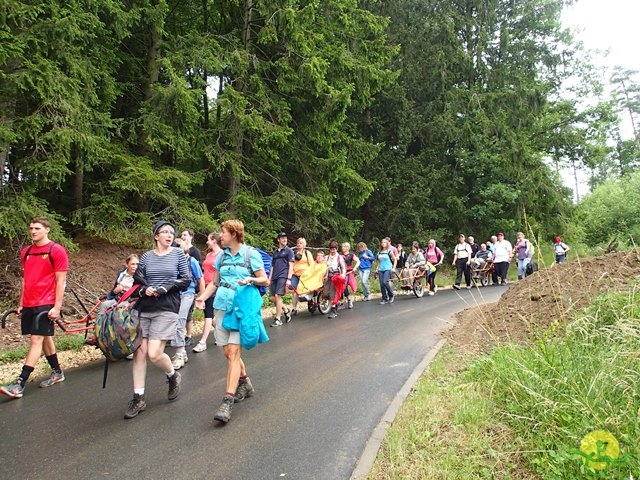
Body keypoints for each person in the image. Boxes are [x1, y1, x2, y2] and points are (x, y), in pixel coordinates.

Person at [194, 219, 269, 423]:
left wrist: (251, 280)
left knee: (234, 352)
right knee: (228, 352)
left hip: (241, 309)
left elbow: (265, 279)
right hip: (221, 306)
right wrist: (202, 297)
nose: (221, 236)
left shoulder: (249, 254)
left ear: (234, 234)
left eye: (224, 232)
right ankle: (245, 382)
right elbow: (215, 282)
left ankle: (227, 401)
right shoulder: (222, 256)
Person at [123, 221, 191, 419]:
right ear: (156, 236)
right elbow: (138, 282)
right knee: (140, 353)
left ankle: (172, 376)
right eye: (164, 232)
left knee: (154, 353)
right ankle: (138, 397)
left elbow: (185, 280)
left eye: (171, 232)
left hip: (167, 307)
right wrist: (145, 290)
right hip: (145, 307)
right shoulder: (146, 257)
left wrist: (164, 288)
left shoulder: (178, 254)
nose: (169, 235)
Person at [0, 217, 69, 399]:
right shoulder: (26, 252)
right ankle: (57, 372)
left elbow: (61, 281)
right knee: (44, 336)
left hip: (46, 302)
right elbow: (26, 279)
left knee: (36, 340)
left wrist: (57, 306)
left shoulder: (56, 250)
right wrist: (21, 303)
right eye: (31, 228)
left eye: (37, 228)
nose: (33, 231)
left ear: (47, 230)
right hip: (30, 302)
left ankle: (19, 383)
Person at [171, 240, 205, 369]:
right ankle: (182, 351)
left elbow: (200, 279)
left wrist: (201, 298)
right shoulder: (173, 262)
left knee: (180, 320)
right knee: (174, 321)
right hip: (175, 294)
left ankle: (179, 353)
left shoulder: (192, 261)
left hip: (188, 293)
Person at [193, 232, 222, 353]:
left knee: (208, 314)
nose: (207, 242)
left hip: (216, 286)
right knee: (209, 314)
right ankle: (222, 334)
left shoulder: (222, 254)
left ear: (214, 241)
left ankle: (202, 342)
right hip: (205, 286)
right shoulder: (209, 254)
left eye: (209, 240)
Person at [269, 232, 294, 327]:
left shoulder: (289, 251)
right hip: (274, 276)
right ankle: (286, 310)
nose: (284, 240)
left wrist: (289, 278)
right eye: (282, 238)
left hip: (283, 275)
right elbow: (272, 266)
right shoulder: (275, 252)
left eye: (285, 238)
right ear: (278, 240)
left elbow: (291, 265)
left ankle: (278, 319)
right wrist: (269, 278)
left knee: (277, 295)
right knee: (272, 297)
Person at [291, 237, 314, 315]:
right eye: (298, 243)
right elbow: (292, 264)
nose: (299, 245)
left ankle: (310, 302)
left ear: (304, 245)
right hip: (295, 275)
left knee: (305, 291)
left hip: (305, 275)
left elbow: (312, 264)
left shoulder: (307, 253)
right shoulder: (294, 254)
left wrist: (310, 274)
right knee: (294, 289)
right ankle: (294, 308)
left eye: (301, 243)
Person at [324, 240, 347, 318]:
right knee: (325, 293)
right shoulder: (326, 257)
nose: (333, 250)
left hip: (336, 277)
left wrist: (343, 275)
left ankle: (333, 311)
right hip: (328, 277)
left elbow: (343, 267)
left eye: (334, 249)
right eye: (331, 249)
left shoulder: (339, 257)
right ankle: (337, 303)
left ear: (337, 249)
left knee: (332, 293)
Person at [376, 238, 396, 304]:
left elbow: (395, 260)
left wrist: (394, 268)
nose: (383, 243)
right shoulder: (379, 252)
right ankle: (384, 298)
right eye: (382, 242)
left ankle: (391, 294)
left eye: (385, 242)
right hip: (381, 269)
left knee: (385, 282)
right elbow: (379, 262)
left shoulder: (389, 251)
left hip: (388, 268)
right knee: (381, 284)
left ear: (387, 243)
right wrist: (376, 269)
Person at [340, 242, 360, 309]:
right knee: (339, 287)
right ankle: (341, 302)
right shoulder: (340, 255)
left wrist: (355, 267)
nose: (342, 248)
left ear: (347, 248)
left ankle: (349, 300)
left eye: (344, 247)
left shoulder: (351, 255)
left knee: (344, 286)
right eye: (342, 247)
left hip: (348, 272)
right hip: (341, 272)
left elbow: (358, 261)